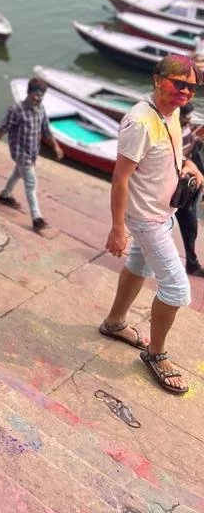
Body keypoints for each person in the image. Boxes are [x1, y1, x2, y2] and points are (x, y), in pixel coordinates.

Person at [100, 55, 204, 395]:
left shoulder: (168, 114)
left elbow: (171, 154)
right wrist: (118, 228)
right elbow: (120, 178)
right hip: (146, 219)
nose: (186, 92)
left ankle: (114, 322)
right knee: (177, 289)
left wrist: (189, 166)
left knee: (138, 266)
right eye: (179, 83)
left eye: (192, 87)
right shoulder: (140, 122)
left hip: (162, 211)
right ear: (158, 79)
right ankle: (156, 353)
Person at [0, 77, 63, 231]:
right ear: (28, 93)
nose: (37, 98)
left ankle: (5, 195)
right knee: (31, 183)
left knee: (18, 173)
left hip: (32, 151)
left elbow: (46, 130)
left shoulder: (41, 109)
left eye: (41, 96)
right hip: (20, 153)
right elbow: (3, 129)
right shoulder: (16, 110)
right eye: (35, 95)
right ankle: (37, 218)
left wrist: (56, 146)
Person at [174, 103, 204, 277]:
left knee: (191, 227)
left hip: (184, 188)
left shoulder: (186, 126)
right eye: (186, 116)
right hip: (172, 186)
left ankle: (192, 264)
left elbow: (190, 139)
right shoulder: (171, 128)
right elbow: (175, 154)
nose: (189, 119)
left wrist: (195, 140)